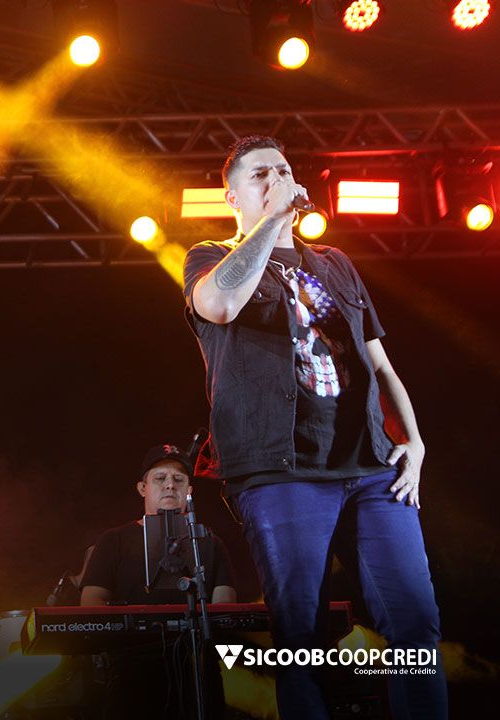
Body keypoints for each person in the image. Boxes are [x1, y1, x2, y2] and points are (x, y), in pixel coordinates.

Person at [182, 135, 446, 719]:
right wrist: (271, 223)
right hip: (281, 470)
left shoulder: (334, 263)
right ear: (232, 197)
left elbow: (379, 364)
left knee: (416, 622)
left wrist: (415, 442)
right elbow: (220, 306)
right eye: (259, 175)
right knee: (300, 633)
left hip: (369, 465)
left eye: (282, 170)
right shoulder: (208, 257)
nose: (275, 179)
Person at [80, 444, 236, 720]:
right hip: (132, 669)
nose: (170, 485)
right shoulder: (114, 540)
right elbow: (91, 602)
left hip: (198, 670)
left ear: (189, 490)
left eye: (178, 480)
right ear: (142, 488)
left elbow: (225, 609)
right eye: (160, 478)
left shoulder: (210, 543)